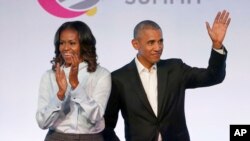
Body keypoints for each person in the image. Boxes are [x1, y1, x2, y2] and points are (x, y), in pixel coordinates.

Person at [102, 10, 231, 141]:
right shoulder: (118, 79)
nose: (158, 47)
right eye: (151, 42)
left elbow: (213, 77)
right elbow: (105, 126)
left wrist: (217, 45)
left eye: (160, 41)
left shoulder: (175, 68)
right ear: (135, 44)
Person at [36, 21, 111, 141]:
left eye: (72, 43)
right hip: (57, 137)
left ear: (84, 45)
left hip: (91, 138)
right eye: (62, 43)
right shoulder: (49, 76)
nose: (66, 48)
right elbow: (42, 122)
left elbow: (97, 116)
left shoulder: (101, 74)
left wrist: (75, 85)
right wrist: (60, 94)